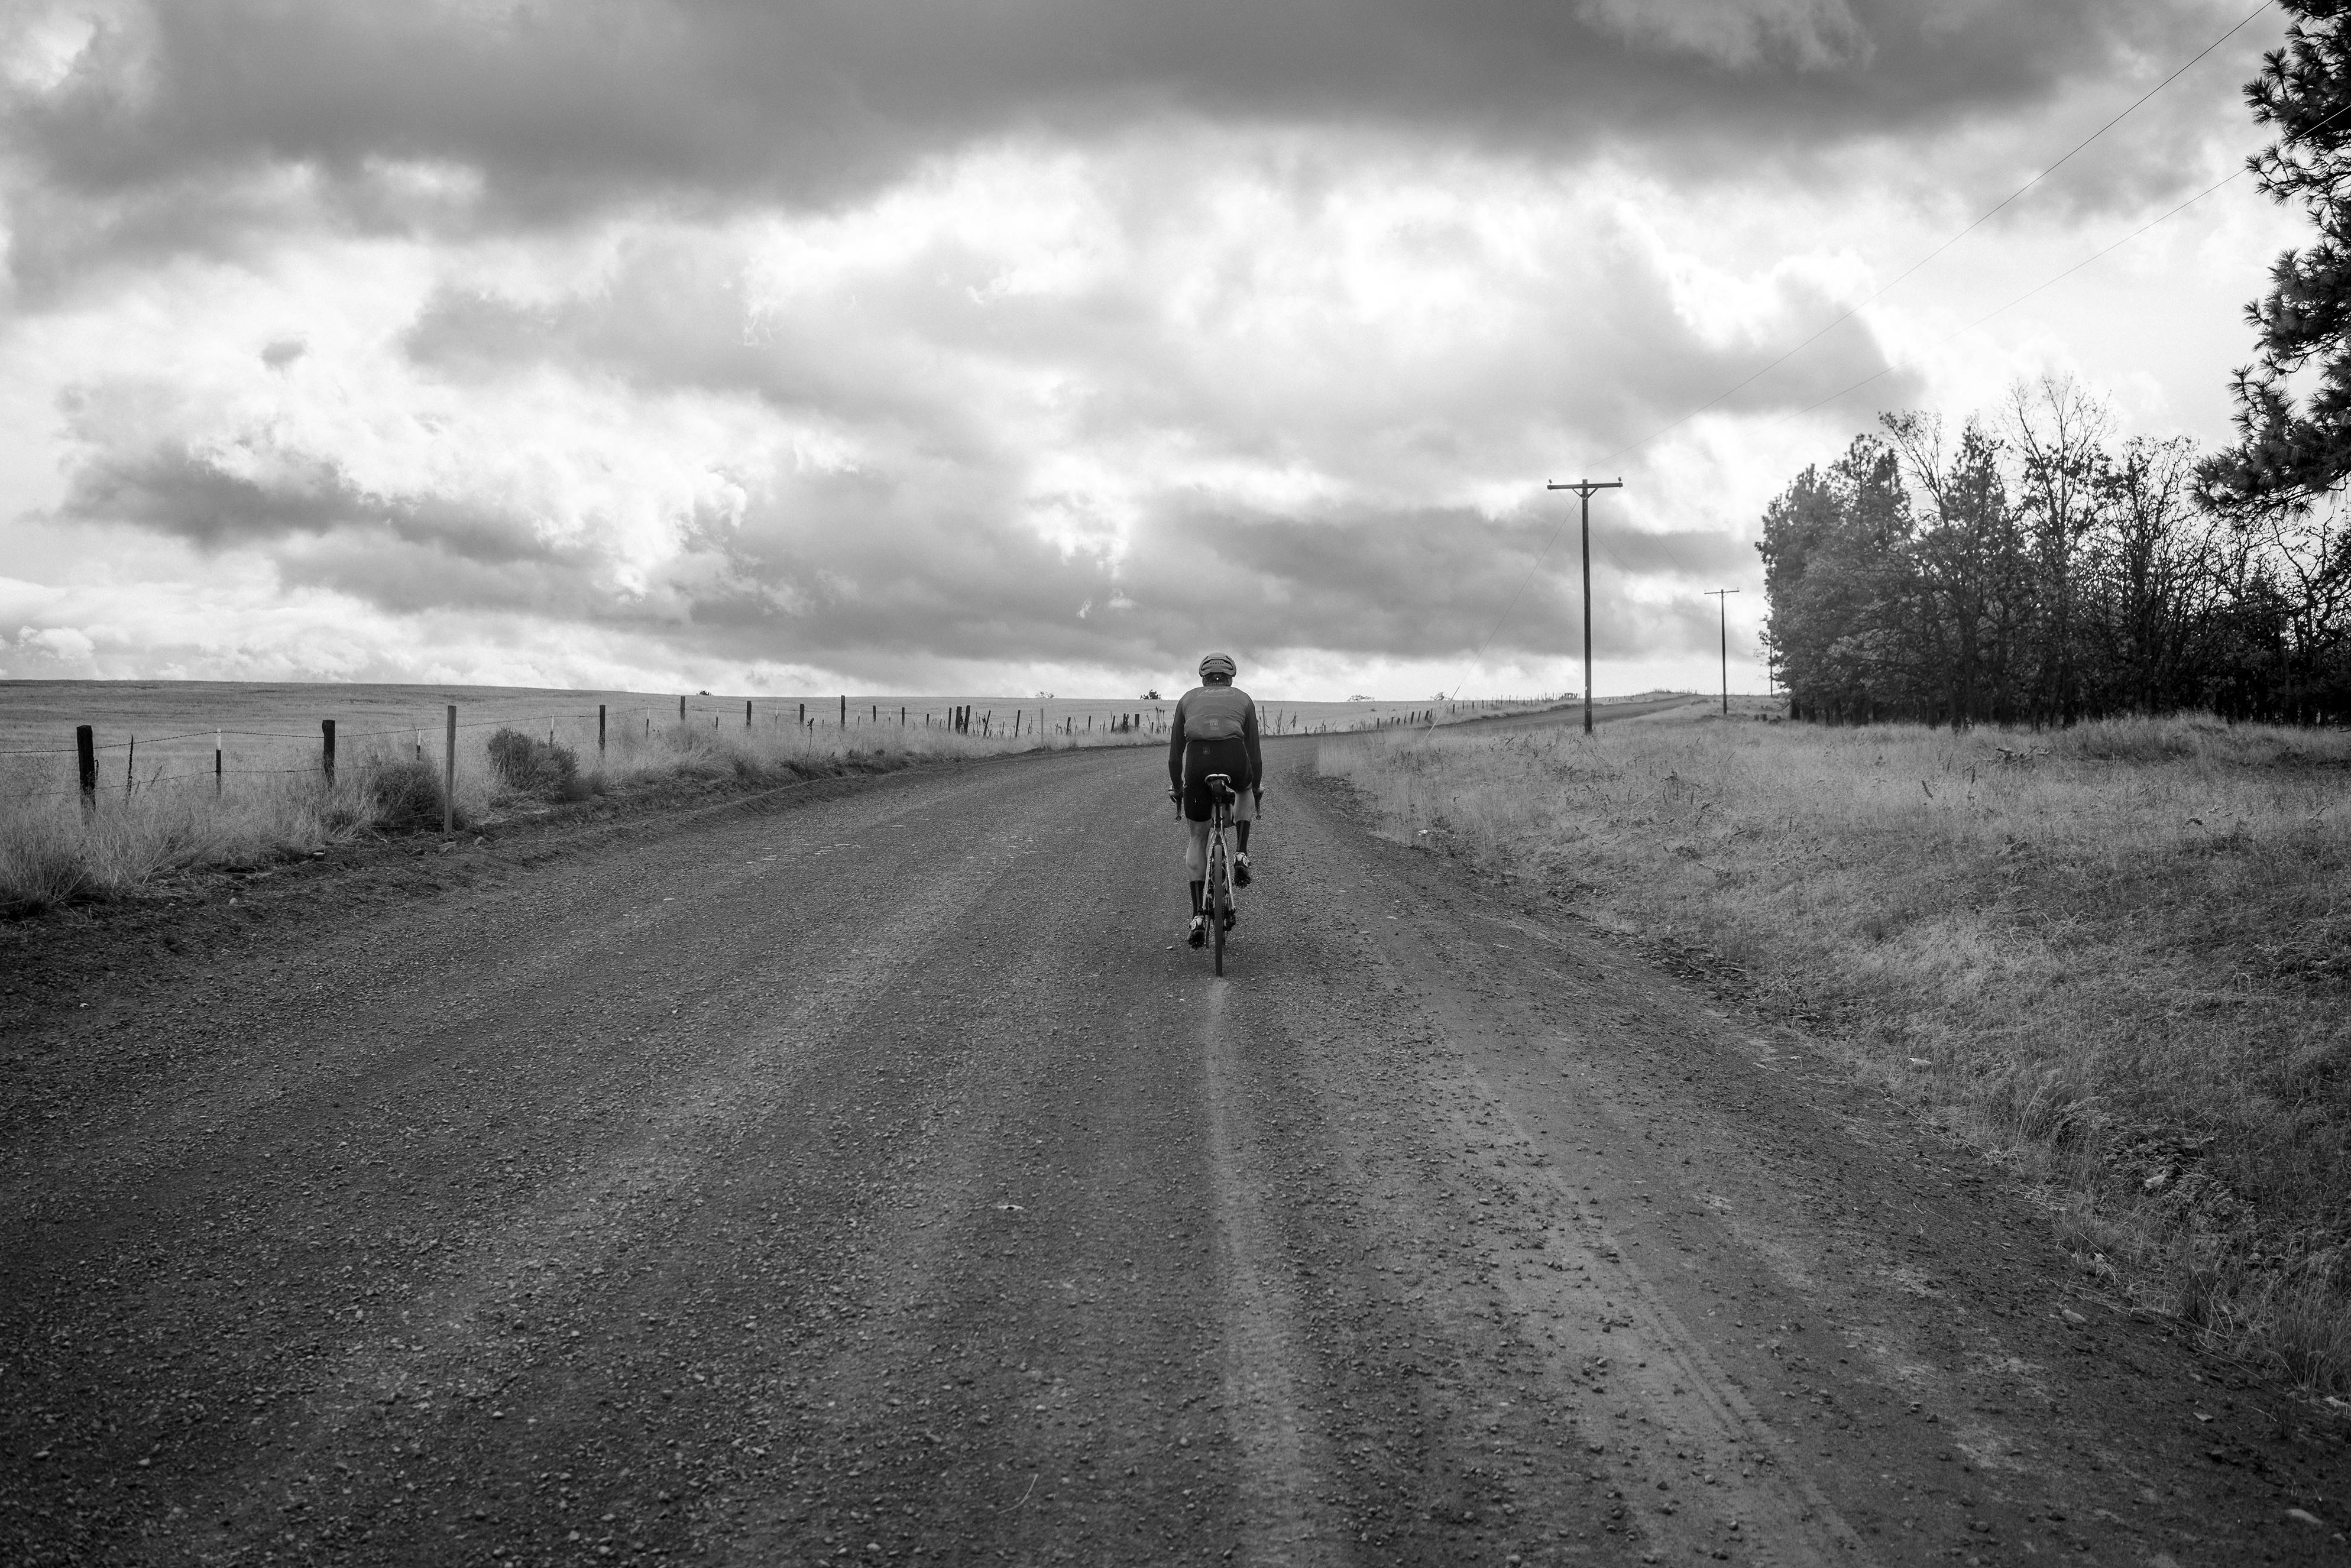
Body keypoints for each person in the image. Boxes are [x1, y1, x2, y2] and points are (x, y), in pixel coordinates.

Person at [1168, 652, 1263, 948]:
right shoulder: (1244, 699)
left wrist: (1178, 789)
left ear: (1203, 678)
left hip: (1197, 764)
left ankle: (1197, 916)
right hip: (1234, 759)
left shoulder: (1186, 699)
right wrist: (1255, 788)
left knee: (1197, 837)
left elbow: (1175, 754)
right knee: (1244, 790)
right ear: (1231, 677)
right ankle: (1241, 854)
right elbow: (1254, 751)